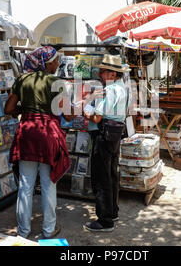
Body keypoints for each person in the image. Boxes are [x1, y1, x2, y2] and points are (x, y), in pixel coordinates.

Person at [5, 46, 74, 239]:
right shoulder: (57, 83)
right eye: (55, 60)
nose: (58, 63)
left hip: (26, 133)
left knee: (25, 185)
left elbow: (8, 107)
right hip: (47, 135)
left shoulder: (22, 80)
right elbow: (68, 115)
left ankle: (23, 231)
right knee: (48, 183)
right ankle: (48, 229)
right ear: (45, 63)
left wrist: (26, 111)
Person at [81, 54, 130, 232]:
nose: (100, 74)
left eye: (103, 71)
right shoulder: (122, 88)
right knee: (111, 174)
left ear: (112, 74)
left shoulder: (108, 90)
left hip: (104, 133)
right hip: (115, 133)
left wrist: (85, 110)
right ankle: (112, 211)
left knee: (101, 176)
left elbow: (97, 116)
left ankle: (105, 220)